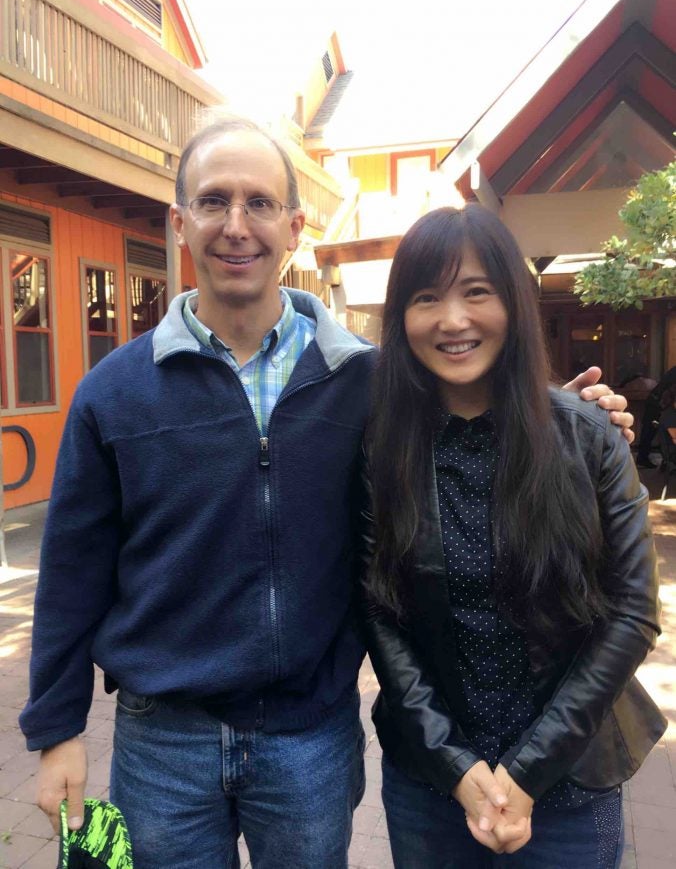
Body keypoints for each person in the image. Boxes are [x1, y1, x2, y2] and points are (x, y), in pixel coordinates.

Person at [20, 118, 634, 869]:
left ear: (294, 226)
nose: (236, 225)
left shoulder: (368, 382)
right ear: (180, 223)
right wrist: (57, 729)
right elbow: (72, 571)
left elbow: (481, 407)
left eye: (259, 203)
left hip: (306, 736)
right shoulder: (112, 394)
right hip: (164, 738)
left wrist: (576, 420)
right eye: (213, 201)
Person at [360, 205, 665, 869]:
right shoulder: (384, 447)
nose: (453, 320)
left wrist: (525, 774)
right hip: (431, 780)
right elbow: (380, 610)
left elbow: (633, 610)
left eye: (477, 291)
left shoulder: (588, 436)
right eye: (426, 297)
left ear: (515, 304)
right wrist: (457, 765)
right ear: (401, 316)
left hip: (569, 777)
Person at [635, 365, 676, 467]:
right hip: (657, 402)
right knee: (649, 431)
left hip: (656, 401)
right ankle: (643, 458)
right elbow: (669, 392)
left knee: (649, 431)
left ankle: (644, 458)